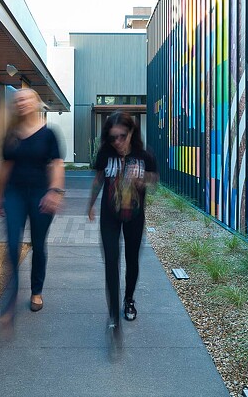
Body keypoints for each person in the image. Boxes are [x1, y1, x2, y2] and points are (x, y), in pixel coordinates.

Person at [0, 88, 65, 326]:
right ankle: (11, 300)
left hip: (40, 195)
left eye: (26, 99)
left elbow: (56, 164)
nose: (22, 102)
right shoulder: (11, 134)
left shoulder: (49, 134)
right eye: (18, 100)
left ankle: (36, 290)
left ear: (36, 103)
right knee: (12, 244)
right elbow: (7, 166)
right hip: (14, 194)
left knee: (38, 244)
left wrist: (54, 191)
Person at [87, 112, 157, 334]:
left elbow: (154, 182)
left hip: (134, 217)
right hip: (109, 215)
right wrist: (89, 204)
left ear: (132, 132)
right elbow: (99, 179)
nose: (117, 141)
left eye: (122, 136)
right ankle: (113, 314)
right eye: (112, 137)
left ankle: (128, 299)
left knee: (131, 259)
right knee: (111, 260)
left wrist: (143, 180)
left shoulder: (144, 156)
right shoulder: (105, 155)